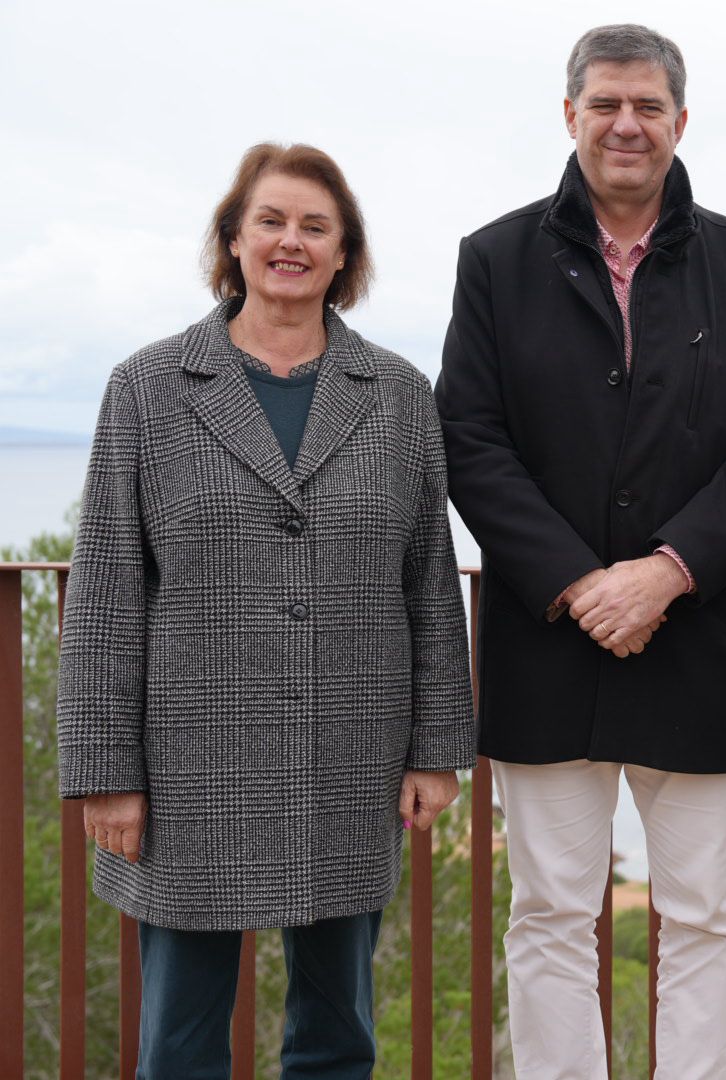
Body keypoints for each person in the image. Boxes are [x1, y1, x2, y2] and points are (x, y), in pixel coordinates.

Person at [434, 23, 726, 1080]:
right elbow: (470, 438)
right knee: (549, 912)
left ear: (680, 122)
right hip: (545, 642)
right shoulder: (493, 260)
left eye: (647, 106)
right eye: (605, 105)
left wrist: (667, 571)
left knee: (702, 917)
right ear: (571, 116)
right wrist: (579, 583)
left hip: (698, 640)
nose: (627, 124)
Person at [55, 142, 472, 1078]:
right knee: (182, 1038)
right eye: (272, 221)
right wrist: (104, 771)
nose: (292, 241)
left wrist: (436, 750)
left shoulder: (399, 395)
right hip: (186, 767)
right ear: (233, 241)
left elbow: (429, 582)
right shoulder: (149, 386)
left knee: (338, 1035)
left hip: (351, 759)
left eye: (315, 227)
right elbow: (109, 589)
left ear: (343, 254)